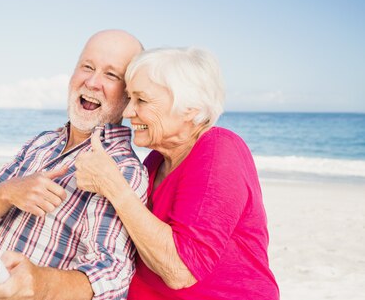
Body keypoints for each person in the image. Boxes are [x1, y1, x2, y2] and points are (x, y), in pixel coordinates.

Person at [75, 47, 280, 300]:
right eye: (129, 99)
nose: (128, 112)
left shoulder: (219, 149)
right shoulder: (155, 161)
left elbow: (180, 270)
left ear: (190, 109)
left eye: (142, 100)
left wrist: (113, 186)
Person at [0, 30, 149, 300]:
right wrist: (8, 192)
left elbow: (112, 273)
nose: (93, 82)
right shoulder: (43, 142)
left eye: (111, 75)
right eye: (87, 67)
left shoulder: (122, 168)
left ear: (129, 94)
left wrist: (40, 283)